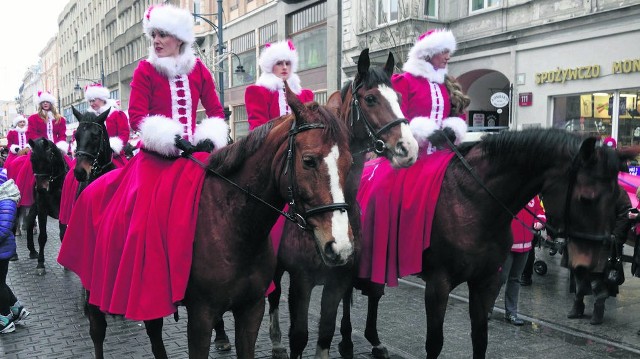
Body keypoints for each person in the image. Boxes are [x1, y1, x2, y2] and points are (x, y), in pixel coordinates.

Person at [58, 4, 228, 321]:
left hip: (197, 154)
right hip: (158, 156)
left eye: (162, 34)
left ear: (179, 37)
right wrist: (170, 137)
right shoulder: (144, 70)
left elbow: (216, 112)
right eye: (153, 35)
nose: (156, 40)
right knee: (140, 222)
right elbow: (138, 117)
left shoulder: (199, 70)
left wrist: (210, 136)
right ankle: (146, 281)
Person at [391, 28, 470, 151]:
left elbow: (459, 113)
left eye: (449, 52)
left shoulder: (446, 83)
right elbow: (395, 119)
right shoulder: (404, 81)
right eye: (444, 52)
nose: (448, 57)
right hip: (411, 154)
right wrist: (424, 133)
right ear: (428, 53)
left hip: (442, 153)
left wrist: (452, 129)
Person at [491, 197, 545, 325]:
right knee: (501, 278)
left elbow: (540, 211)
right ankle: (487, 308)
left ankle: (511, 313)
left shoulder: (534, 196)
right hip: (508, 245)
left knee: (515, 279)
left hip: (525, 246)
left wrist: (540, 220)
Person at [245, 39, 314, 130]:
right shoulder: (258, 92)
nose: (285, 67)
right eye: (279, 63)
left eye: (288, 63)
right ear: (270, 66)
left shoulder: (305, 95)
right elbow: (258, 128)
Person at [0, 169, 30, 333]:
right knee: (1, 283)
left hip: (2, 250)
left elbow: (3, 228)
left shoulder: (5, 199)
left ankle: (4, 318)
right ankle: (17, 310)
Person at [84, 84, 131, 167]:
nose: (91, 104)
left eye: (94, 100)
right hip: (91, 155)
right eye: (90, 101)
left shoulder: (116, 114)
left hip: (113, 155)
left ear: (102, 99)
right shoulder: (88, 118)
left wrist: (113, 147)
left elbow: (124, 134)